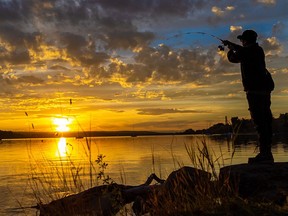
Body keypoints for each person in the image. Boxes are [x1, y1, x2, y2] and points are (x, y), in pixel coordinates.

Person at [223, 30, 274, 164]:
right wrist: (231, 47)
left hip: (255, 92)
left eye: (243, 40)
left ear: (246, 40)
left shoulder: (249, 52)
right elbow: (239, 54)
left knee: (260, 122)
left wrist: (229, 49)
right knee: (265, 121)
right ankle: (266, 153)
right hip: (263, 91)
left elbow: (233, 58)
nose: (241, 42)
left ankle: (265, 154)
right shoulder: (258, 50)